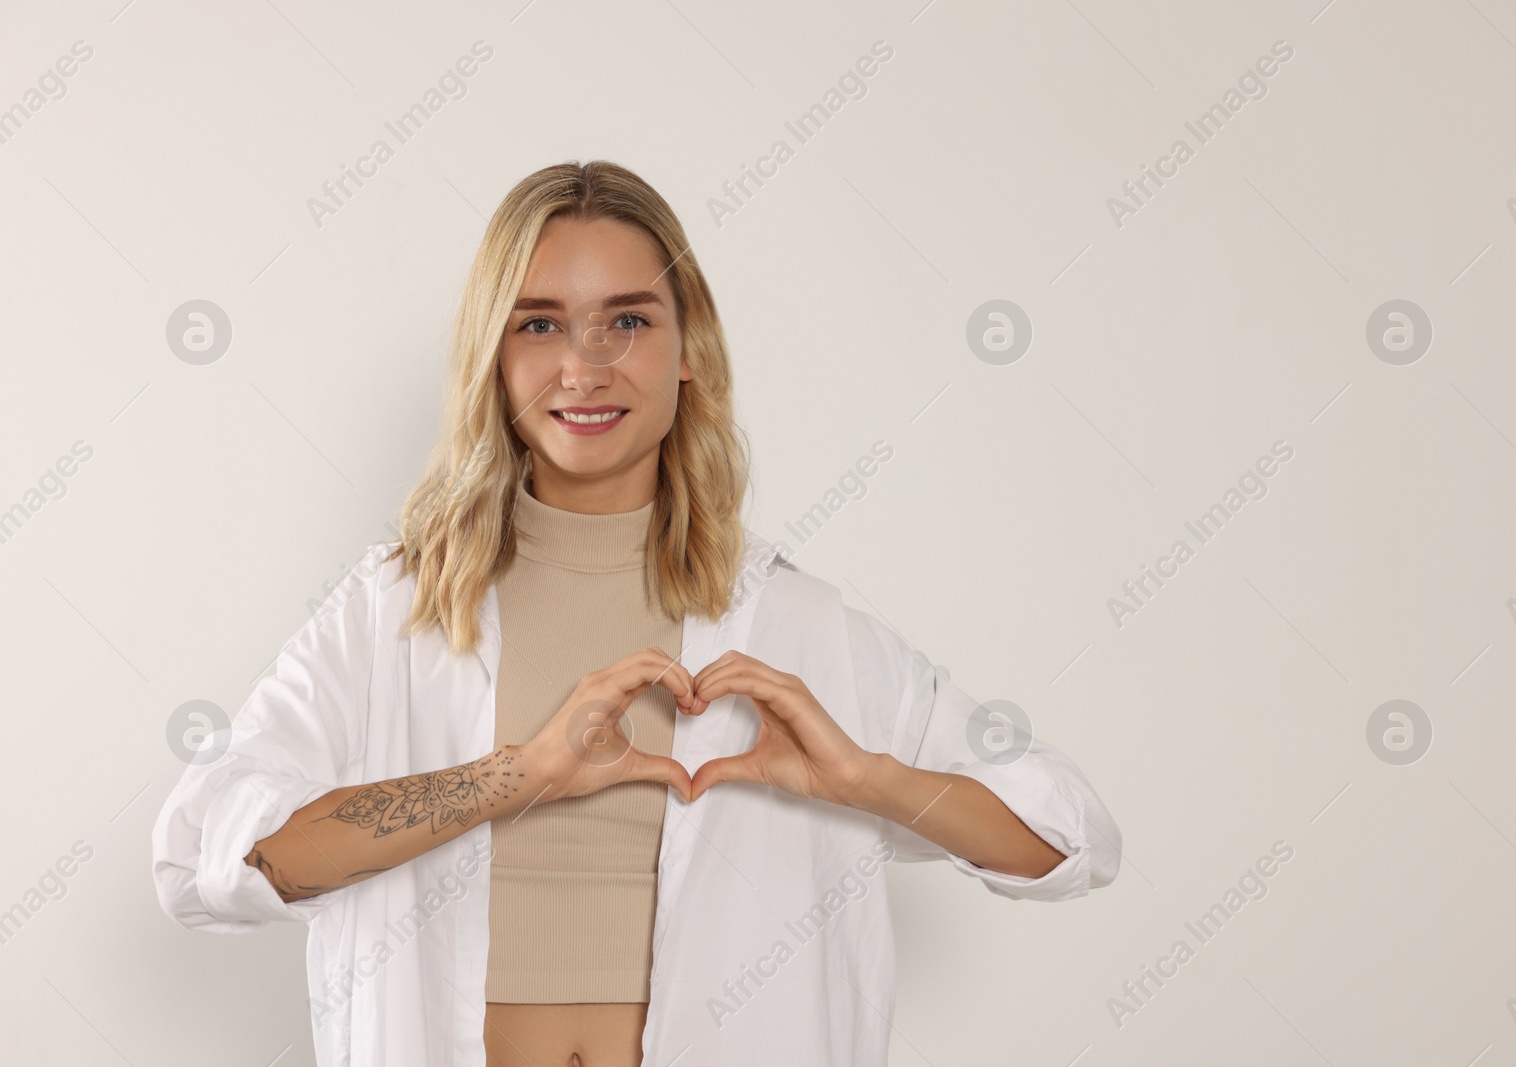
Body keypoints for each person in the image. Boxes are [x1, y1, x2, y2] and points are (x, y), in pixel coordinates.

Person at [151, 159, 1123, 1067]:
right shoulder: (392, 612)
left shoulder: (793, 622)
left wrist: (863, 777)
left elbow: (1067, 839)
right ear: (490, 353)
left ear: (689, 344)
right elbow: (218, 858)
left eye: (626, 320)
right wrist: (518, 772)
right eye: (537, 324)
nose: (584, 365)